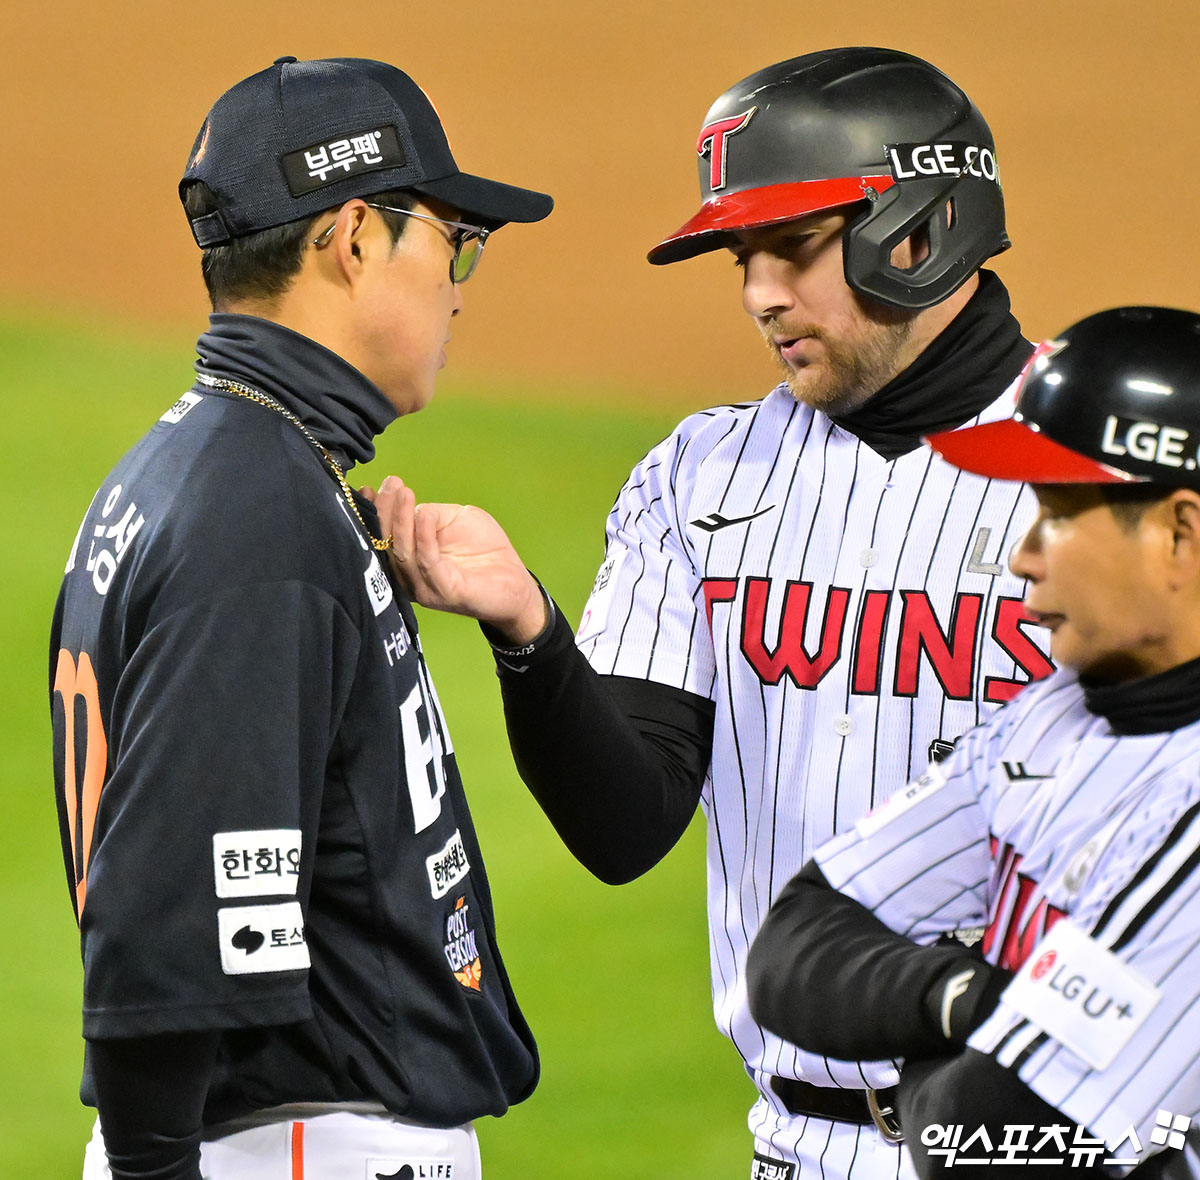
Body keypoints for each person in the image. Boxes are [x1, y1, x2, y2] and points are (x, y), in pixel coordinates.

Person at [372, 46, 1051, 1177]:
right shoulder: (702, 479)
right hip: (795, 1146)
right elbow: (626, 825)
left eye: (793, 248)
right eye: (743, 258)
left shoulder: (1120, 472)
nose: (759, 294)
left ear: (921, 230)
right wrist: (530, 633)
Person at [48, 55, 552, 1180]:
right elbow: (162, 937)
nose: (459, 284)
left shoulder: (197, 462)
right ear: (356, 236)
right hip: (298, 1147)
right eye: (449, 242)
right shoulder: (257, 513)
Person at [745, 305, 1200, 1176]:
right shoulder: (1056, 714)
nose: (1024, 556)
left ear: (1179, 534)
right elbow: (795, 950)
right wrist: (971, 1003)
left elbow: (988, 1149)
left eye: (1060, 513)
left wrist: (931, 1068)